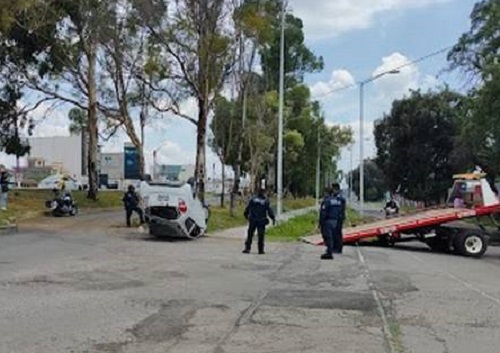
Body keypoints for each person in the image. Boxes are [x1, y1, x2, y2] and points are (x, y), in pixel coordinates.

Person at [243, 188, 275, 254]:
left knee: (250, 234)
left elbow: (248, 208)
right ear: (263, 193)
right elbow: (269, 211)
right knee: (261, 236)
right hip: (261, 220)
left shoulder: (253, 199)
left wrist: (246, 215)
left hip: (253, 219)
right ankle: (260, 250)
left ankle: (247, 248)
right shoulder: (266, 201)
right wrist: (273, 218)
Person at [319, 183, 345, 259]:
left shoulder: (328, 201)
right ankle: (334, 249)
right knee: (335, 234)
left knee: (329, 236)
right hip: (336, 219)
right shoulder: (337, 200)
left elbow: (323, 213)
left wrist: (321, 222)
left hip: (329, 220)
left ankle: (330, 251)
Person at [331, 183, 346, 254]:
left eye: (333, 189)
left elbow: (339, 208)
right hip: (335, 217)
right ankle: (335, 247)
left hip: (338, 218)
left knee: (337, 233)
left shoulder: (339, 198)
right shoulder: (336, 196)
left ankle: (338, 248)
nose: (333, 191)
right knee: (334, 233)